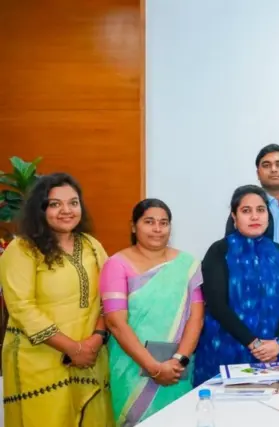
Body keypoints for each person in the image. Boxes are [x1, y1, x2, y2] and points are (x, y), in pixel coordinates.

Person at [0, 173, 112, 426]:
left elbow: (109, 297)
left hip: (90, 355)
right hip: (40, 358)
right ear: (40, 209)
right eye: (55, 204)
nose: (66, 210)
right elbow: (22, 308)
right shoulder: (22, 249)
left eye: (73, 203)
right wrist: (72, 348)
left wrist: (95, 340)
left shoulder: (92, 245)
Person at [101, 199, 204, 426]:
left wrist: (179, 360)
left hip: (177, 368)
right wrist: (153, 367)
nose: (157, 229)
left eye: (163, 223)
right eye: (149, 222)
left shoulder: (188, 264)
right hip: (131, 367)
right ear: (133, 226)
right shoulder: (116, 264)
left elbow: (196, 317)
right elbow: (115, 322)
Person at [195, 185, 279, 385]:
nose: (254, 216)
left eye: (260, 210)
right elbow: (217, 305)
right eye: (246, 211)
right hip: (227, 350)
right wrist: (254, 344)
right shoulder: (219, 251)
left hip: (275, 353)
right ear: (234, 217)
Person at [224, 144, 279, 248]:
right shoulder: (244, 208)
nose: (273, 169)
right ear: (258, 174)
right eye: (266, 165)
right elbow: (230, 247)